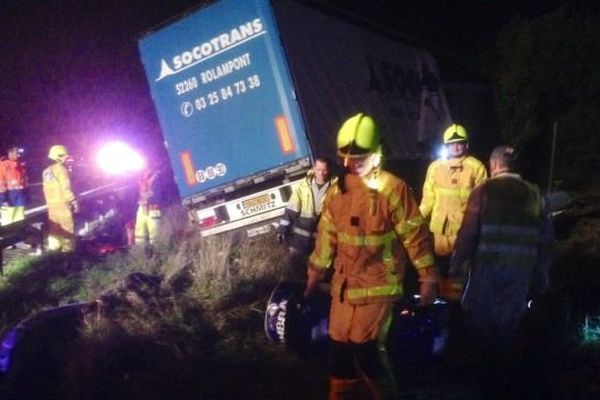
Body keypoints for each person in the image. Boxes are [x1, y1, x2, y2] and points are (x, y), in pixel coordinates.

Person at [304, 113, 439, 400]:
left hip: (379, 286)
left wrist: (428, 278)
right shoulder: (338, 192)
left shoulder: (394, 189)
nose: (353, 163)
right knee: (339, 350)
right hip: (344, 287)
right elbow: (326, 238)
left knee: (366, 349)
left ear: (377, 150)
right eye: (348, 157)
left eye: (360, 157)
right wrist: (314, 275)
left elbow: (415, 237)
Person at [449, 145, 554, 399]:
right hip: (520, 276)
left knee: (481, 330)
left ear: (493, 165)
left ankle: (483, 384)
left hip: (487, 272)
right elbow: (546, 242)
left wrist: (455, 270)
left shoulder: (484, 191)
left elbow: (468, 235)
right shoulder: (536, 195)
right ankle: (506, 385)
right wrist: (541, 280)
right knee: (508, 333)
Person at [419, 123, 487, 293]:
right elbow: (428, 200)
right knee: (441, 274)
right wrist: (415, 223)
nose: (455, 147)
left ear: (466, 144)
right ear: (445, 145)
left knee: (461, 276)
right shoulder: (435, 168)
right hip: (440, 235)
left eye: (459, 143)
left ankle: (457, 308)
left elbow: (483, 203)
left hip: (464, 234)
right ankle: (444, 303)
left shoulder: (476, 168)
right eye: (451, 143)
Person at [276, 157, 336, 277]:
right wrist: (282, 230)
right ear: (314, 169)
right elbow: (291, 209)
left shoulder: (336, 187)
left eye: (324, 170)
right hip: (300, 238)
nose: (322, 173)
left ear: (329, 170)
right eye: (319, 169)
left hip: (322, 237)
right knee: (297, 271)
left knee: (322, 273)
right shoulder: (303, 186)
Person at [43, 144, 79, 252]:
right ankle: (68, 251)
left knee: (54, 228)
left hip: (51, 205)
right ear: (58, 156)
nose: (66, 159)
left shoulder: (46, 171)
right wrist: (74, 201)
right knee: (67, 228)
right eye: (65, 156)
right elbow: (65, 188)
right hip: (63, 204)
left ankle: (54, 249)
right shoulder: (62, 170)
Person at [134, 168, 163, 247]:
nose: (144, 172)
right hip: (142, 208)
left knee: (154, 233)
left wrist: (147, 197)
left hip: (152, 209)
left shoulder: (155, 180)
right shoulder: (141, 180)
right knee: (140, 233)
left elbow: (157, 196)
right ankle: (141, 251)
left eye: (146, 170)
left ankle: (157, 251)